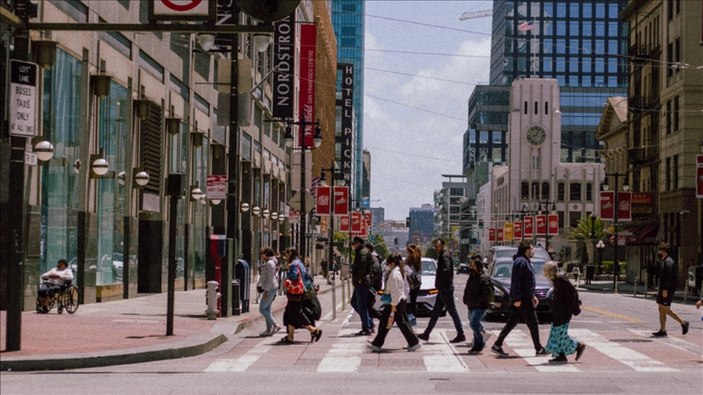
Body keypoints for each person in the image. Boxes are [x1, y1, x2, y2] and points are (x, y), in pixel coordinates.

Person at [491, 241, 547, 357]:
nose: (533, 251)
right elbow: (516, 282)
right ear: (527, 250)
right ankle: (539, 348)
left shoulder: (524, 261)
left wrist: (533, 295)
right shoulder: (521, 262)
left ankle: (497, 344)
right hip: (523, 298)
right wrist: (517, 298)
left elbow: (527, 282)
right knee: (533, 323)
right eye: (532, 249)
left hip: (525, 297)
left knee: (512, 322)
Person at [368, 254, 421, 352]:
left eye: (388, 263)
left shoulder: (395, 274)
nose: (387, 266)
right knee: (392, 323)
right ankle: (413, 342)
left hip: (394, 302)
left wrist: (393, 305)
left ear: (392, 263)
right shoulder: (396, 272)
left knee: (393, 323)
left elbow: (396, 291)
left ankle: (377, 344)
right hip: (396, 301)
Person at [417, 238, 466, 343]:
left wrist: (442, 284)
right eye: (434, 246)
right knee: (435, 312)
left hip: (445, 289)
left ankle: (461, 334)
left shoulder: (445, 256)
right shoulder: (443, 255)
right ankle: (426, 333)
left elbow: (446, 270)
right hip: (442, 289)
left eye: (437, 246)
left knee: (452, 311)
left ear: (443, 245)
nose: (435, 248)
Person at [542, 261, 586, 364]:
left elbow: (572, 293)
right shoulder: (556, 280)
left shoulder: (561, 279)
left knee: (560, 335)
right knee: (556, 335)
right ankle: (560, 355)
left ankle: (577, 346)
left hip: (563, 313)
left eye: (545, 269)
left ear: (549, 270)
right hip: (557, 312)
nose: (544, 271)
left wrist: (575, 308)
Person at [279, 247, 322, 344]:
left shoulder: (293, 264)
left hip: (296, 293)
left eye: (286, 254)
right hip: (303, 290)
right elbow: (308, 277)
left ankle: (314, 330)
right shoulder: (300, 263)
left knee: (296, 312)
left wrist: (288, 270)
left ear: (290, 253)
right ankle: (290, 337)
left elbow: (294, 276)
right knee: (289, 313)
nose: (285, 257)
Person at [652, 243, 689, 337]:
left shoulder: (668, 262)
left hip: (666, 290)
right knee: (661, 309)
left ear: (664, 251)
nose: (658, 252)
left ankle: (683, 323)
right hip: (662, 289)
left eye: (660, 250)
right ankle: (663, 330)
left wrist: (665, 290)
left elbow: (668, 278)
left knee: (666, 309)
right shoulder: (664, 261)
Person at [462, 254, 491, 354]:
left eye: (473, 265)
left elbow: (485, 294)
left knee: (473, 323)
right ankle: (476, 345)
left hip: (481, 305)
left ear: (478, 266)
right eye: (471, 265)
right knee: (475, 323)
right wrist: (465, 298)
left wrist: (476, 302)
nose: (471, 267)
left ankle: (479, 343)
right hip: (471, 304)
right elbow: (467, 287)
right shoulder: (472, 275)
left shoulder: (484, 277)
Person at [351, 237, 373, 335]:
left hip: (362, 282)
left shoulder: (363, 252)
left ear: (358, 243)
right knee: (354, 302)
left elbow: (362, 265)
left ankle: (366, 327)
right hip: (361, 282)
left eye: (354, 243)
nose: (353, 246)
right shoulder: (361, 251)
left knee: (361, 305)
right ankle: (368, 322)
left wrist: (359, 278)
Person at [257, 247, 281, 337]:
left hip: (270, 288)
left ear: (266, 254)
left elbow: (270, 278)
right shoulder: (269, 263)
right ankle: (268, 330)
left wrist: (266, 290)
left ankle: (275, 325)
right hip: (270, 287)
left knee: (262, 309)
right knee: (267, 309)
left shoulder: (270, 264)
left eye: (262, 254)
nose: (261, 256)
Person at [405, 244, 423, 321]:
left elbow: (408, 270)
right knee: (413, 300)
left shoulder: (410, 258)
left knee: (405, 299)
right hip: (417, 281)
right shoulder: (418, 258)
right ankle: (413, 317)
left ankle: (407, 316)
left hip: (411, 281)